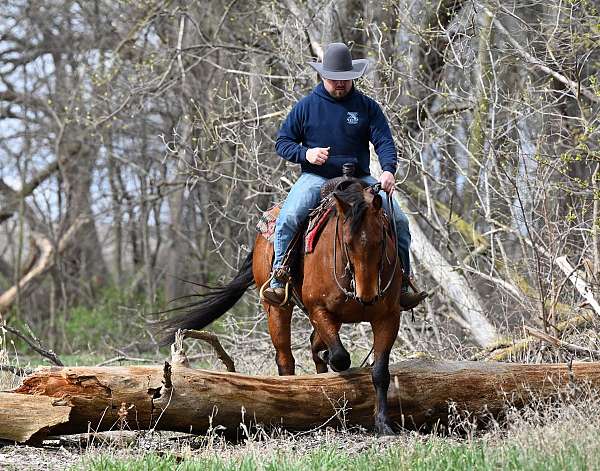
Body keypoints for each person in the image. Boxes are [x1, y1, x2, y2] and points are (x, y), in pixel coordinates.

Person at [261, 42, 425, 310]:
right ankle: (280, 277)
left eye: (345, 80)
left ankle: (404, 281)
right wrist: (306, 154)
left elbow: (384, 141)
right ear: (323, 76)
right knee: (289, 217)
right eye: (334, 79)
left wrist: (387, 170)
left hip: (360, 177)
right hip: (316, 177)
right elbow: (283, 142)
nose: (340, 84)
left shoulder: (366, 107)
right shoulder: (306, 107)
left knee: (400, 220)